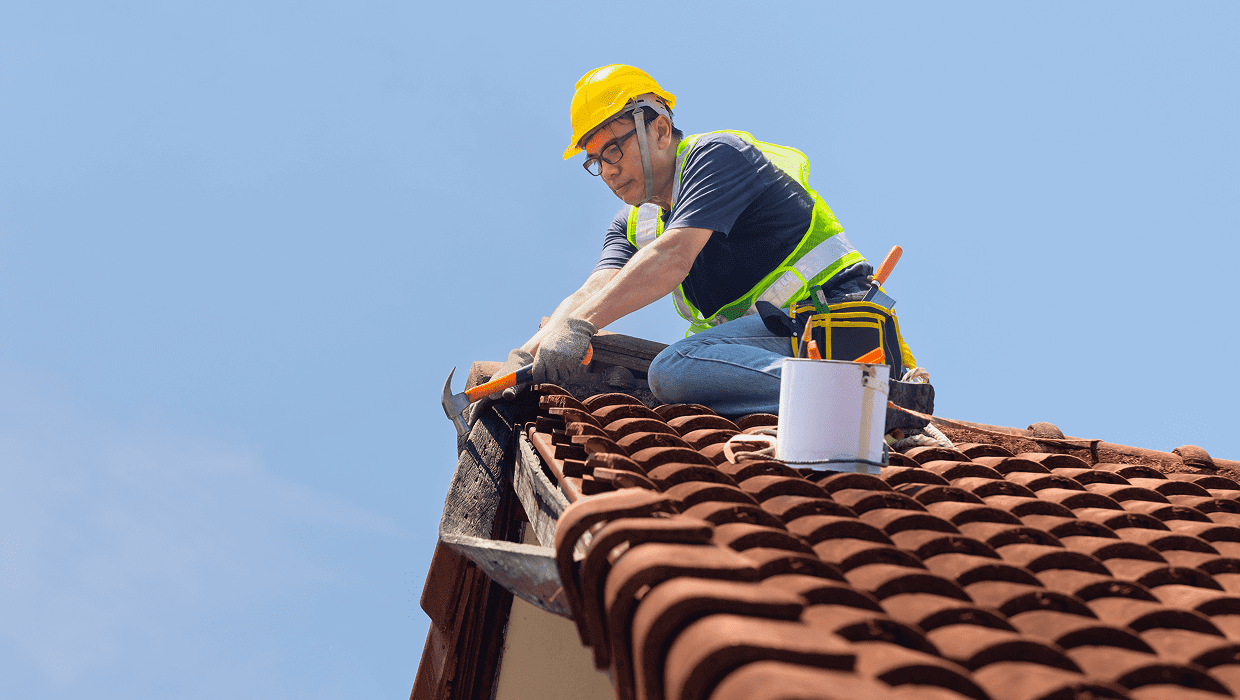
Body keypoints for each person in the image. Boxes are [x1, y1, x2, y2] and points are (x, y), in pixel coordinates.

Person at [482, 64, 899, 418]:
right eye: (594, 160)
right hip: (777, 342)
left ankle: (863, 396)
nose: (607, 171)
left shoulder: (717, 157)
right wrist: (526, 354)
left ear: (661, 129)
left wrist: (578, 329)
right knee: (681, 381)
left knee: (673, 370)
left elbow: (672, 257)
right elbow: (596, 289)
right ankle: (835, 398)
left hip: (837, 328)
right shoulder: (634, 225)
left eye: (612, 149)